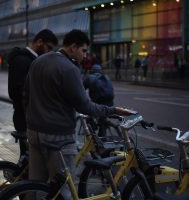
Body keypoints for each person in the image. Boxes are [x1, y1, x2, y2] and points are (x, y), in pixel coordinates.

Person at [24, 29, 135, 198]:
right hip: (58, 138)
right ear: (73, 47)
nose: (85, 55)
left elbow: (26, 95)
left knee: (35, 188)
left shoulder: (39, 61)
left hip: (34, 132)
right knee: (63, 189)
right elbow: (85, 106)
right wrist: (111, 110)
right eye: (83, 50)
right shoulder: (69, 69)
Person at [7, 29, 58, 156]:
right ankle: (19, 175)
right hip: (26, 118)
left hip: (32, 117)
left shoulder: (33, 60)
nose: (49, 52)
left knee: (31, 160)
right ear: (39, 42)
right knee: (29, 160)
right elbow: (16, 92)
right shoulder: (23, 60)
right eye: (49, 48)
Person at [83, 60, 114, 136]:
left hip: (98, 101)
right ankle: (102, 131)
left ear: (92, 71)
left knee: (89, 114)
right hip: (110, 101)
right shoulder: (106, 77)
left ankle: (93, 133)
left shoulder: (89, 77)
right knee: (102, 118)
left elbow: (81, 90)